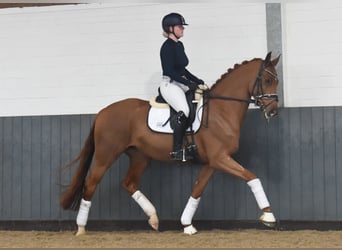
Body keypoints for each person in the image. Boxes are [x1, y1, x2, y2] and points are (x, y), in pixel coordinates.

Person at [159, 13, 204, 160]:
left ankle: (190, 144)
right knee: (184, 110)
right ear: (170, 28)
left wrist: (195, 80)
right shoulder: (166, 48)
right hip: (169, 84)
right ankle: (176, 150)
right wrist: (187, 83)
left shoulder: (179, 45)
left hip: (180, 82)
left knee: (197, 102)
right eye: (180, 27)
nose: (183, 29)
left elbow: (181, 69)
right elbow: (170, 71)